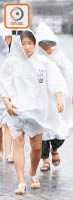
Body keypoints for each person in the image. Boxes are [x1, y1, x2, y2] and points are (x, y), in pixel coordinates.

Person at [0, 30, 67, 195]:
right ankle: (21, 181)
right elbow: (4, 83)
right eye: (24, 44)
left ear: (35, 44)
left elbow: (55, 80)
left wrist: (59, 97)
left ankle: (32, 173)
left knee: (37, 147)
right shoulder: (11, 63)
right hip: (15, 109)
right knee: (18, 143)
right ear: (19, 45)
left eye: (30, 43)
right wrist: (7, 102)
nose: (27, 47)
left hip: (37, 110)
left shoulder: (43, 62)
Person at [36, 22, 73, 171]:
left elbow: (70, 74)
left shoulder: (59, 56)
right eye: (43, 44)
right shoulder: (35, 58)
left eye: (49, 43)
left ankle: (55, 148)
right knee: (43, 130)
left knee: (60, 128)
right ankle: (45, 159)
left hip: (60, 98)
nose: (46, 47)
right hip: (43, 99)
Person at [0, 23, 14, 162]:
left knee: (8, 123)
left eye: (8, 37)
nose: (6, 40)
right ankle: (2, 151)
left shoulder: (14, 53)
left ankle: (9, 153)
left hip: (10, 92)